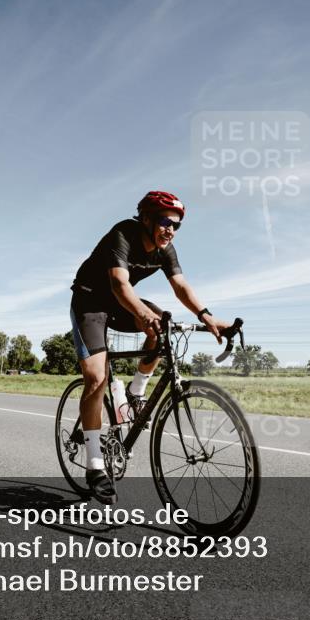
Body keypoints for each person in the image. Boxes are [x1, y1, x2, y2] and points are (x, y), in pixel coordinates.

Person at [69, 190, 229, 503]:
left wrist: (207, 316)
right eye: (165, 222)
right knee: (96, 378)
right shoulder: (123, 235)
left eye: (177, 225)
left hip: (119, 304)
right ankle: (94, 465)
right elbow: (119, 284)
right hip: (90, 301)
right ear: (146, 219)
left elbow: (180, 286)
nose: (170, 229)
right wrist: (143, 314)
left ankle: (135, 392)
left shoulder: (165, 250)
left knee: (163, 325)